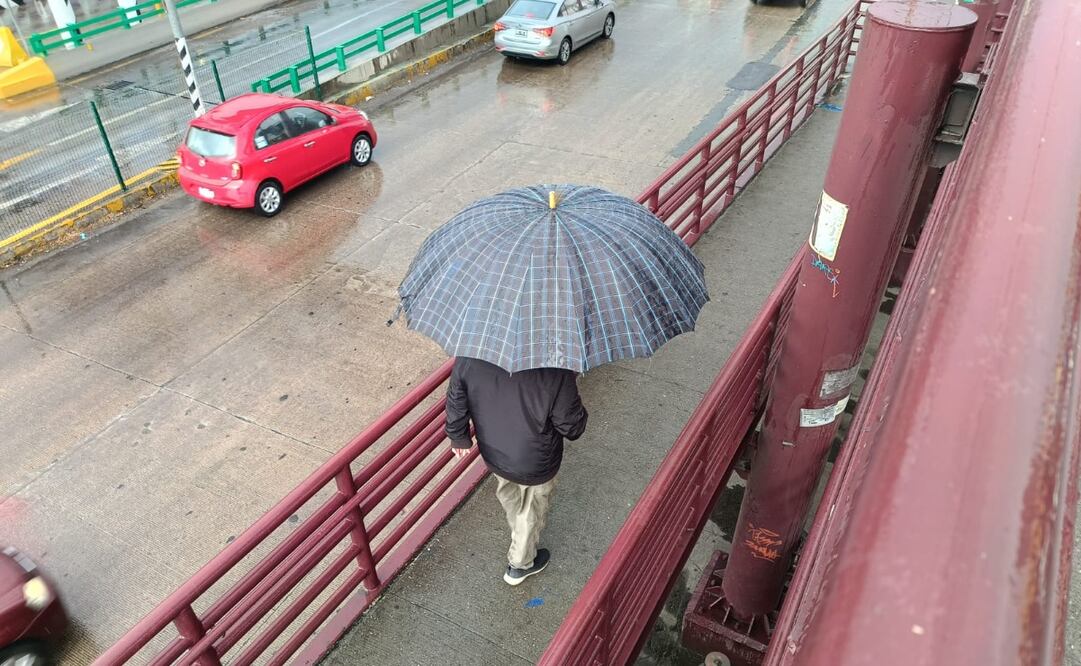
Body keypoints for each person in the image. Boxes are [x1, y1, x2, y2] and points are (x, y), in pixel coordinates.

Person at [445, 356, 589, 586]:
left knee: (509, 494)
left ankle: (518, 531)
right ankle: (520, 565)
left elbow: (456, 396)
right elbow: (572, 427)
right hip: (535, 458)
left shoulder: (470, 357)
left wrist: (458, 436)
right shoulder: (555, 369)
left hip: (494, 449)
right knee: (531, 509)